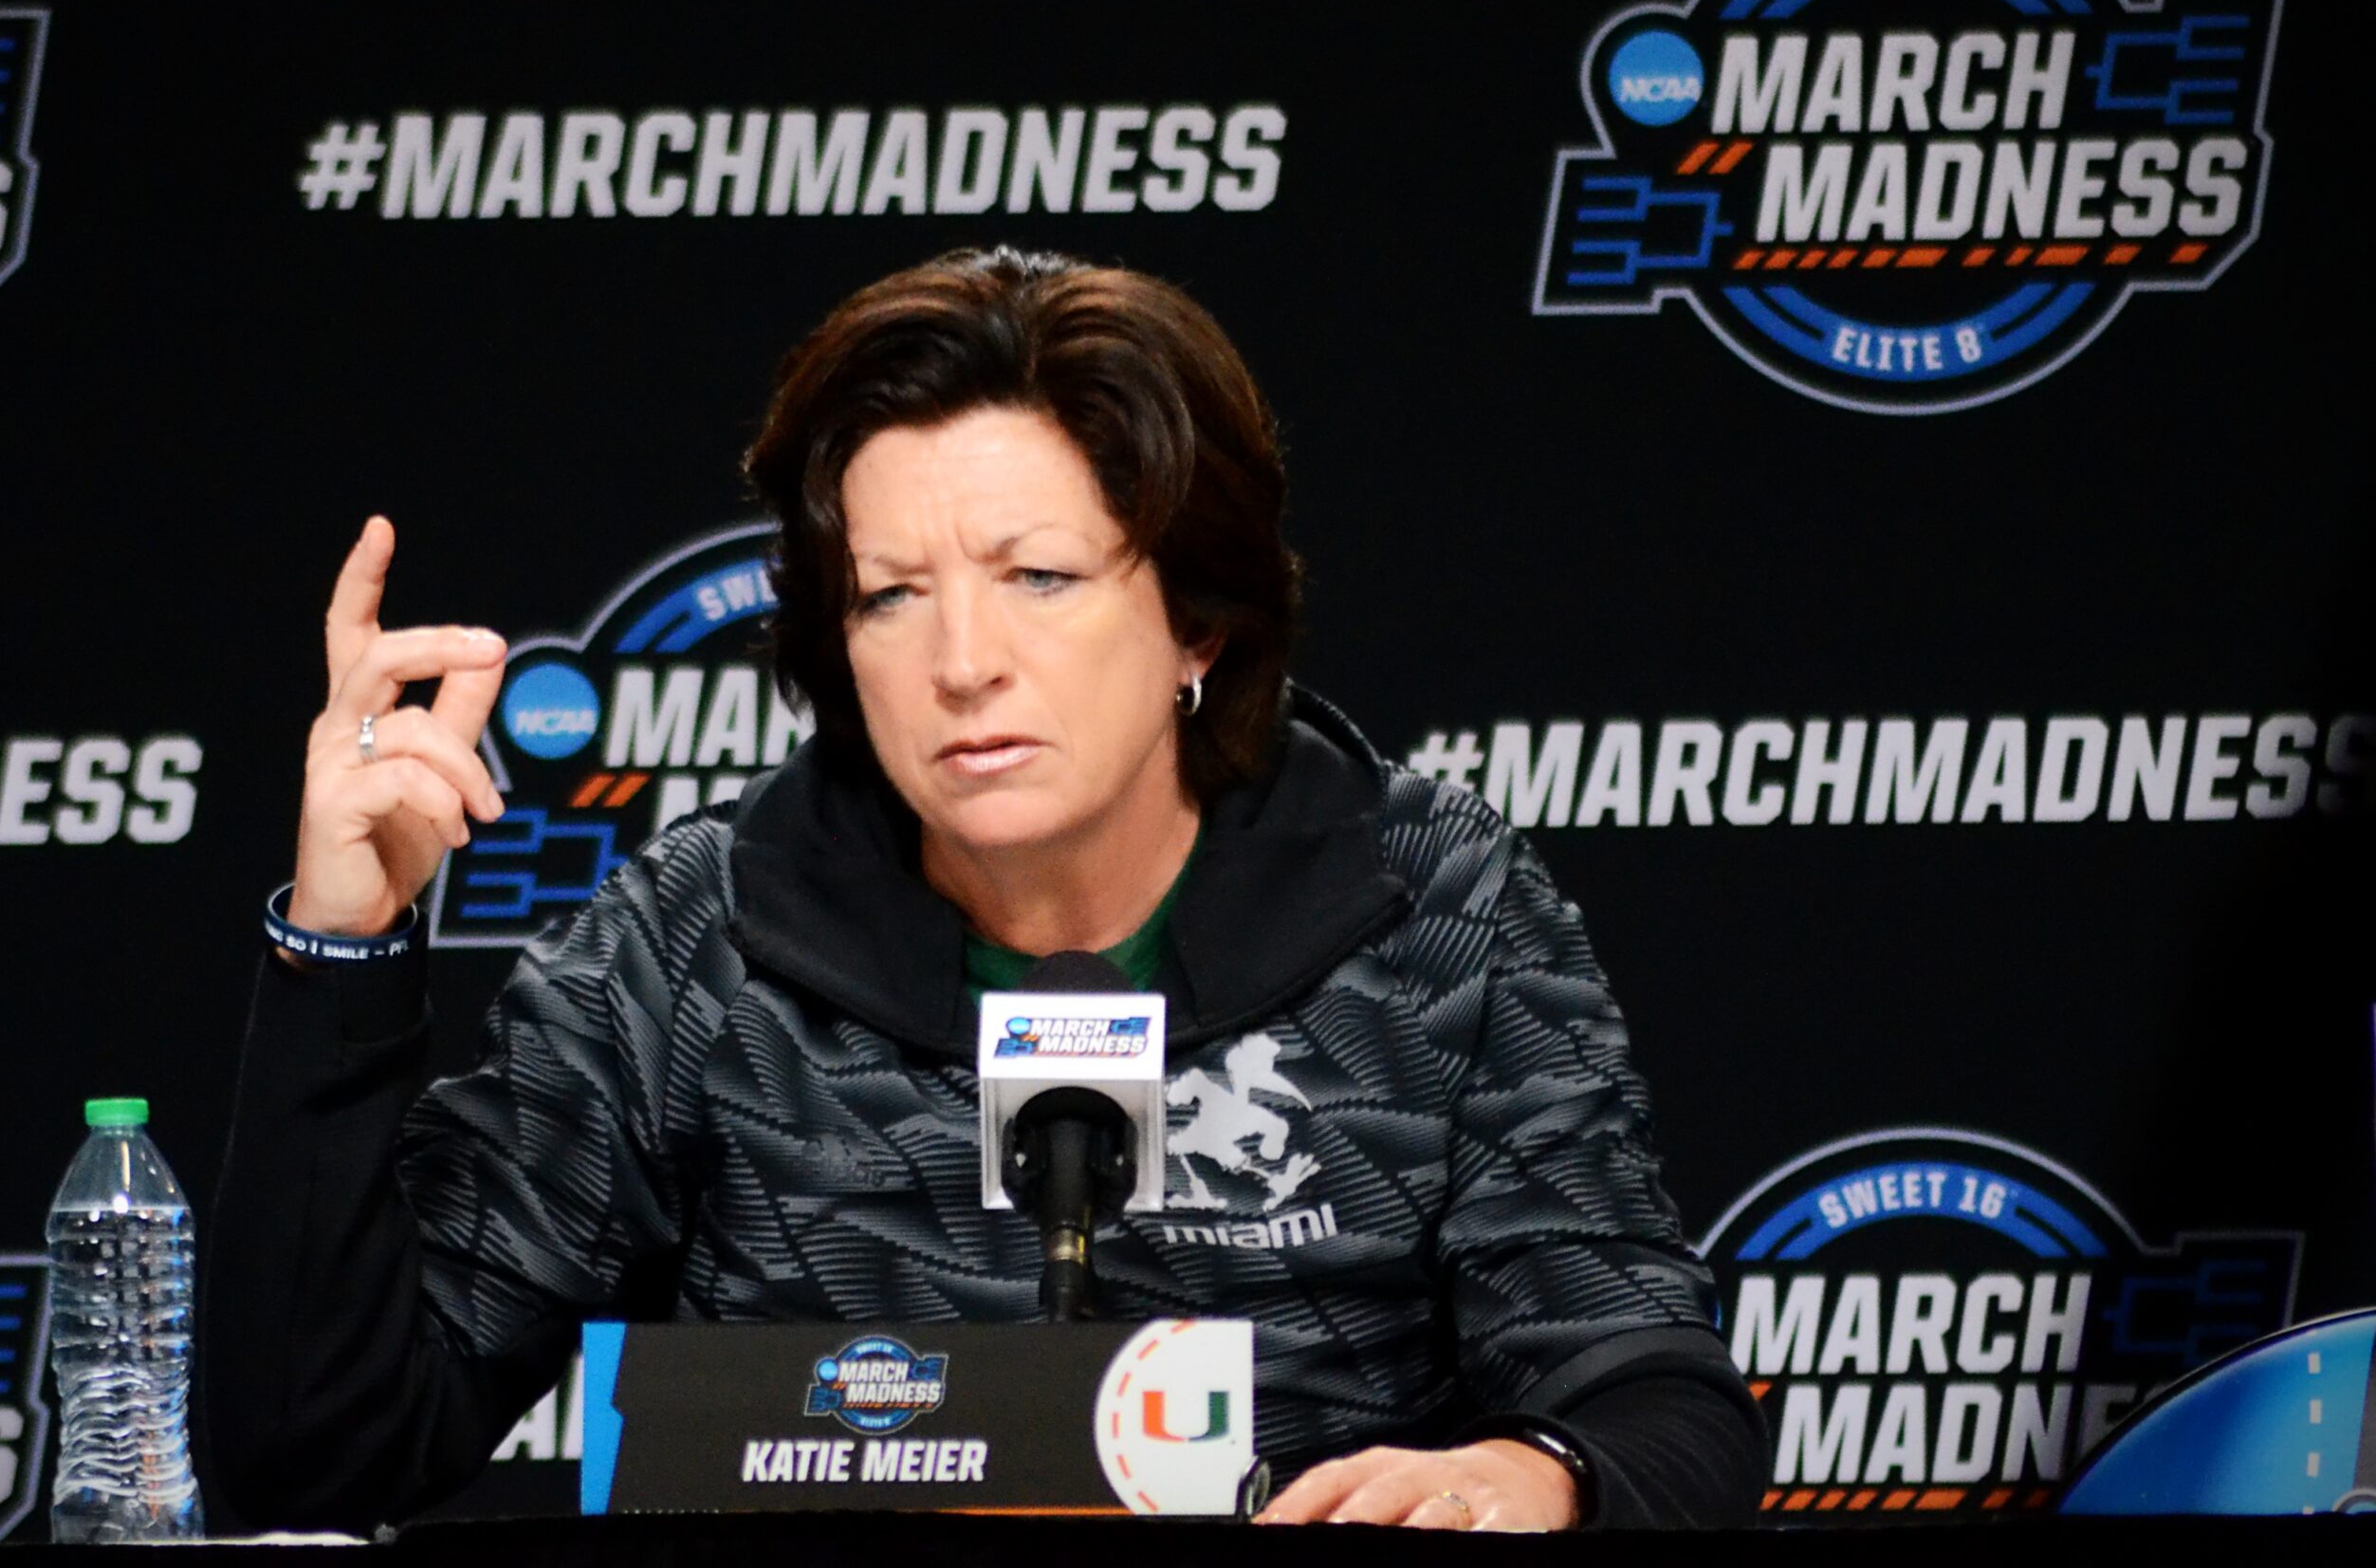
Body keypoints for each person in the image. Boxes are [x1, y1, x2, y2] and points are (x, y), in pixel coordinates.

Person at [204, 247, 1766, 1534]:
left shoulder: (1429, 909)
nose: (962, 664)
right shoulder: (700, 946)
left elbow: (1655, 1406)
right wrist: (343, 945)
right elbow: (319, 1458)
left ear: (1198, 625)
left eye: (1038, 577)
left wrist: (1537, 1478)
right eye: (889, 597)